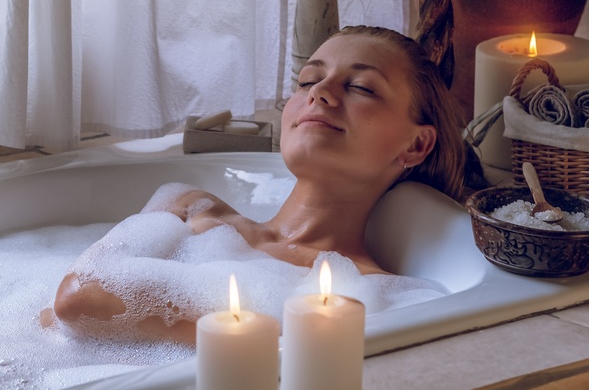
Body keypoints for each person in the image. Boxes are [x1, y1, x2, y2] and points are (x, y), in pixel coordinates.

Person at [50, 26, 467, 344]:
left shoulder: (369, 296)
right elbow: (73, 302)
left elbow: (80, 303)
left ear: (416, 145)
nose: (319, 92)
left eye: (360, 87)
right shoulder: (188, 206)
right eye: (307, 80)